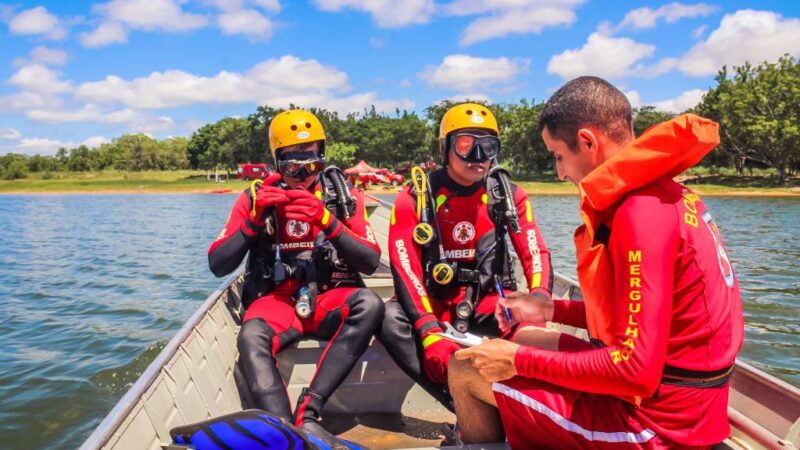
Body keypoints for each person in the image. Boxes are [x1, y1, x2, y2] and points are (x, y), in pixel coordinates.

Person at [449, 76, 744, 449]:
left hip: (659, 425)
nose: (560, 173)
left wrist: (517, 361)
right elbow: (642, 318)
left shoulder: (637, 214)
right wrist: (550, 308)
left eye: (559, 156)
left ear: (587, 142)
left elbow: (634, 371)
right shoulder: (669, 194)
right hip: (692, 405)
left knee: (464, 368)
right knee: (524, 334)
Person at [208, 109, 384, 444]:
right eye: (292, 165)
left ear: (323, 158)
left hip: (328, 295)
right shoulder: (255, 199)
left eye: (312, 164)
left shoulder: (341, 198)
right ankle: (285, 432)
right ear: (276, 162)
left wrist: (326, 221)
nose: (302, 174)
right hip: (277, 300)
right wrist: (253, 222)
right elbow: (218, 263)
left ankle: (309, 412)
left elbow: (371, 261)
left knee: (370, 304)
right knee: (250, 336)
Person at [379, 102, 553, 409]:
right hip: (436, 305)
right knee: (388, 318)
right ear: (446, 148)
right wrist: (428, 330)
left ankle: (520, 403)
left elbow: (534, 252)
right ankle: (461, 402)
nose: (478, 157)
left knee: (534, 329)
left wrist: (538, 297)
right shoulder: (415, 198)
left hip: (490, 303)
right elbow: (405, 267)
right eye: (466, 146)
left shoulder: (509, 197)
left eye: (488, 147)